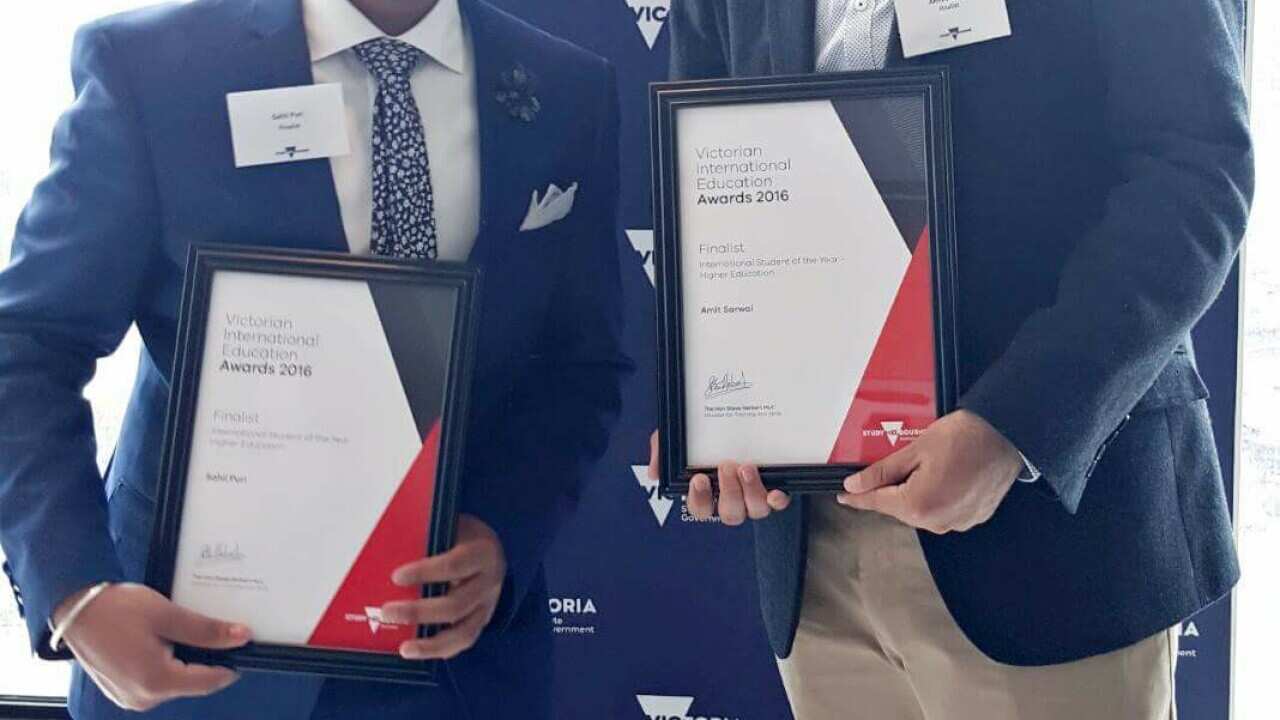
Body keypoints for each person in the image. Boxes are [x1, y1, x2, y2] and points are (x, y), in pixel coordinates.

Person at [0, 0, 629, 718]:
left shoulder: (566, 88)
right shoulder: (151, 68)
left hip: (458, 661)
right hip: (192, 648)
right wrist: (74, 593)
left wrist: (501, 532)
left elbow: (581, 365)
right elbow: (29, 345)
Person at [653, 1, 1252, 718]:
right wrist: (713, 407)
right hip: (817, 557)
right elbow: (707, 164)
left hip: (1054, 540)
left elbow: (1197, 173)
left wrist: (1015, 426)